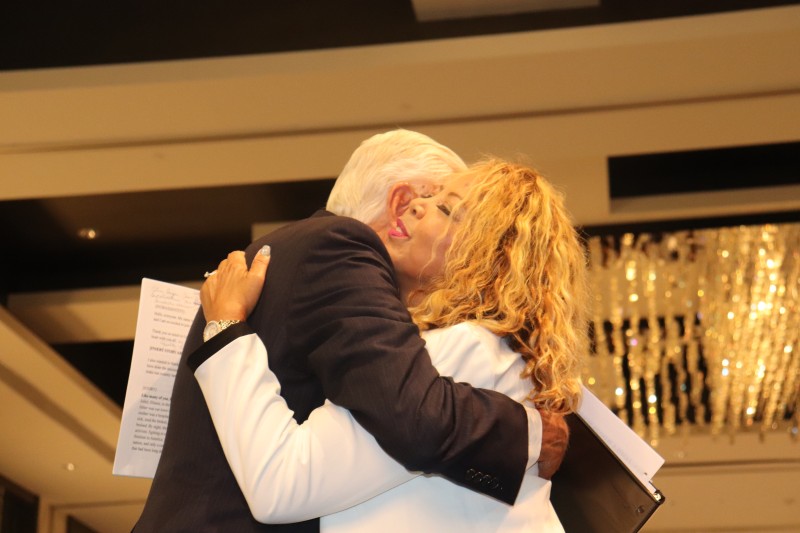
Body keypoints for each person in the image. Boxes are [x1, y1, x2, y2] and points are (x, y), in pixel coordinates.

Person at [134, 131, 567, 532]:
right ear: (399, 202)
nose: (422, 206)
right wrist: (528, 432)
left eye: (444, 206)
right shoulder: (340, 246)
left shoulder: (467, 341)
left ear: (485, 252)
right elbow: (415, 412)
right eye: (431, 197)